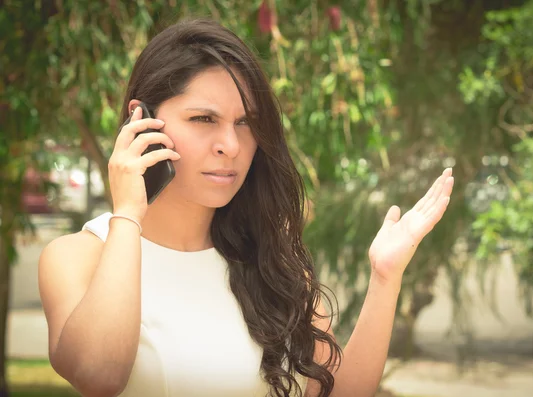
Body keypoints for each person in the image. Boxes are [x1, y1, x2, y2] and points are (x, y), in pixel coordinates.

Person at [38, 18, 454, 397]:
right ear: (141, 121)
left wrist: (385, 278)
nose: (231, 146)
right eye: (203, 119)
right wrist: (127, 212)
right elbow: (98, 374)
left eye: (245, 122)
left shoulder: (272, 260)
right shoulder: (78, 256)